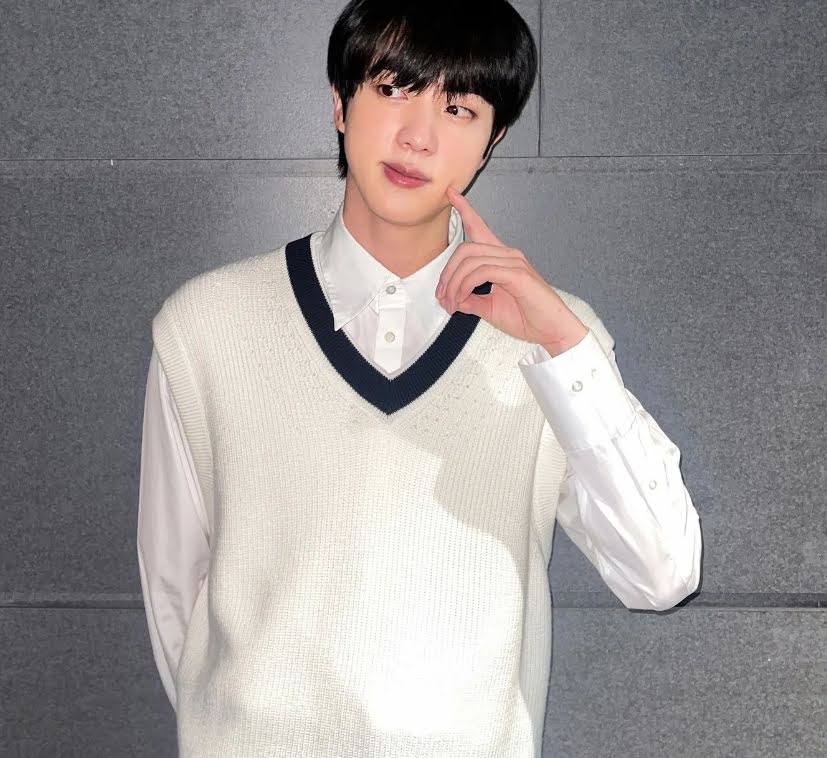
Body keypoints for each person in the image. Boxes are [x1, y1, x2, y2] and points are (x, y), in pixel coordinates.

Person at [137, 0, 702, 755]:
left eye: (459, 107)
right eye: (392, 88)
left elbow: (661, 574)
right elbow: (174, 591)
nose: (418, 136)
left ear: (493, 140)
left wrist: (564, 348)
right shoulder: (206, 324)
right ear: (340, 104)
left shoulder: (557, 340)